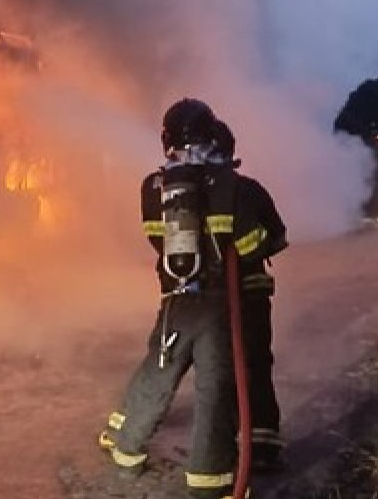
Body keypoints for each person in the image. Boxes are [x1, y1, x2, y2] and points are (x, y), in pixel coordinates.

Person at [98, 98, 288, 498]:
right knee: (218, 389)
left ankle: (126, 450)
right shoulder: (239, 188)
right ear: (215, 137)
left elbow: (156, 239)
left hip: (178, 301)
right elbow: (260, 244)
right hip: (226, 306)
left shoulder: (154, 188)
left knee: (160, 370)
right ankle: (211, 482)